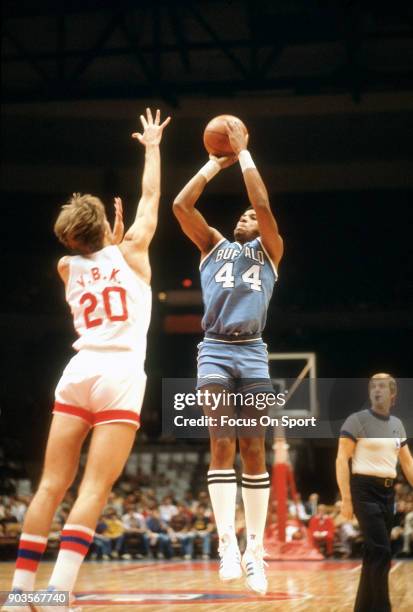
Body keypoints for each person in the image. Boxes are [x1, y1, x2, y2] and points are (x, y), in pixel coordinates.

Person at [2, 108, 170, 612]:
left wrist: (107, 244)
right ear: (105, 228)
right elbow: (151, 198)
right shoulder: (134, 249)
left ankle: (18, 594)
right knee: (94, 486)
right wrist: (153, 146)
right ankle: (57, 594)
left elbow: (93, 259)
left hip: (76, 372)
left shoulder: (64, 266)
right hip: (119, 373)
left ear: (72, 238)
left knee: (51, 484)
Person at [173, 120, 283, 595]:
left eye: (251, 217)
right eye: (241, 216)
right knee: (222, 442)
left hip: (253, 352)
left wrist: (245, 155)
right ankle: (228, 545)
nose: (246, 216)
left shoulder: (272, 250)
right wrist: (214, 163)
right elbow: (180, 205)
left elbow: (261, 202)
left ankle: (256, 550)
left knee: (253, 448)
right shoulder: (213, 245)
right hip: (215, 350)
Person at [336, 373, 413, 612]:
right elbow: (341, 459)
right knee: (382, 549)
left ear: (393, 395)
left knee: (373, 553)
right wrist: (346, 498)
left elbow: (408, 463)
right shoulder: (356, 420)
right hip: (363, 490)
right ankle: (382, 608)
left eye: (382, 387)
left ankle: (364, 608)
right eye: (373, 387)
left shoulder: (397, 425)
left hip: (387, 494)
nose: (377, 390)